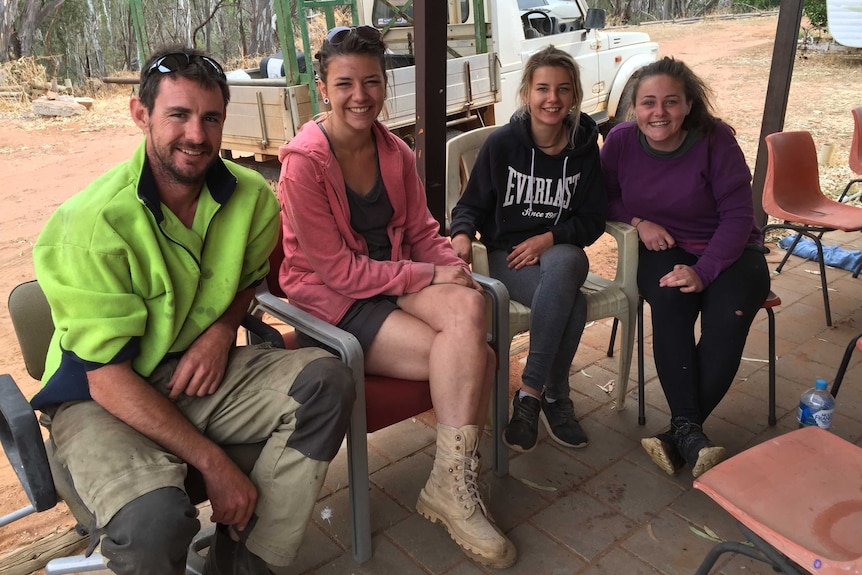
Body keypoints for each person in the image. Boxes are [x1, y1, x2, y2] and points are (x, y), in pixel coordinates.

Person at [31, 46, 355, 575]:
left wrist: (223, 330)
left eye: (211, 118)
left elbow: (249, 281)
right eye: (178, 115)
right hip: (101, 394)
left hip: (198, 374)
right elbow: (106, 379)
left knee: (327, 381)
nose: (197, 136)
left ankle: (245, 562)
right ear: (141, 114)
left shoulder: (251, 197)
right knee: (151, 524)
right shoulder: (89, 226)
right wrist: (213, 462)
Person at [277, 26, 516, 569]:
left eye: (371, 82)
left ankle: (449, 485)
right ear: (323, 86)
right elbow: (336, 270)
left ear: (385, 84)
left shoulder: (395, 151)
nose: (360, 95)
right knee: (476, 355)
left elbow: (423, 230)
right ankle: (455, 484)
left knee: (470, 302)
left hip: (393, 276)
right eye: (345, 84)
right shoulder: (302, 165)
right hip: (336, 299)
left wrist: (452, 271)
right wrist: (424, 278)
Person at [600, 57, 770, 478]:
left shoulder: (716, 140)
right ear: (634, 107)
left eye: (671, 102)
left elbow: (738, 217)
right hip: (665, 245)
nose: (659, 113)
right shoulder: (621, 141)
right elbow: (602, 196)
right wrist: (640, 223)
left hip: (730, 250)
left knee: (727, 317)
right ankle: (691, 435)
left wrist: (706, 270)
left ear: (689, 104)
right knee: (669, 305)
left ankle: (681, 432)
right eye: (648, 103)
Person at [450, 46, 607, 454]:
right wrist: (462, 235)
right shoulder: (503, 145)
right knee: (571, 303)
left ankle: (530, 395)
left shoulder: (586, 149)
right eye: (542, 88)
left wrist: (549, 238)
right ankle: (556, 396)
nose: (551, 98)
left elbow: (592, 219)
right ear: (526, 94)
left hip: (558, 255)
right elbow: (469, 205)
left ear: (574, 96)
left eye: (562, 89)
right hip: (508, 258)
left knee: (569, 258)